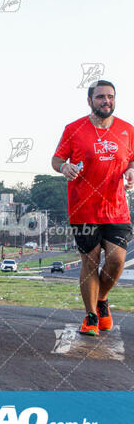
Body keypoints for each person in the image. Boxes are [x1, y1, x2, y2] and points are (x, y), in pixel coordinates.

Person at [52, 80, 134, 336]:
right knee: (90, 261)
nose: (106, 101)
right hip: (84, 208)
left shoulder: (127, 130)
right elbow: (56, 159)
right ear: (90, 101)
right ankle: (90, 316)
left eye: (110, 96)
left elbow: (132, 159)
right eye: (100, 97)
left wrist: (131, 171)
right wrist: (64, 167)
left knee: (116, 260)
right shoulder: (74, 129)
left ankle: (102, 300)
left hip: (116, 208)